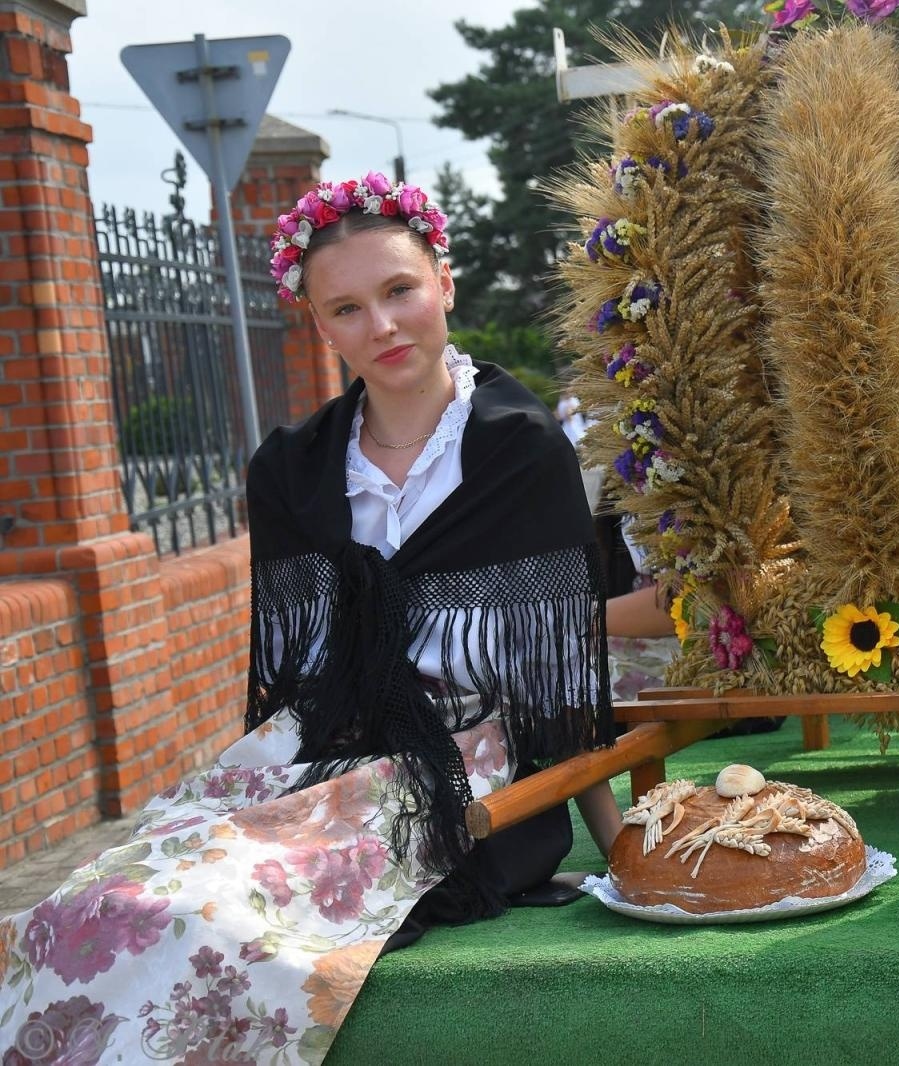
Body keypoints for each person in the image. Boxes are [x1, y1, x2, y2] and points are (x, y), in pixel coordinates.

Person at [0, 172, 619, 1063]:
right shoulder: (292, 469)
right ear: (319, 326)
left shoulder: (518, 450)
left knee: (207, 913)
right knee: (96, 900)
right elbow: (298, 676)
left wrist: (619, 847)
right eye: (348, 309)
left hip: (469, 785)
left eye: (400, 290)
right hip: (321, 759)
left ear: (444, 281)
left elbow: (559, 679)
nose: (384, 327)